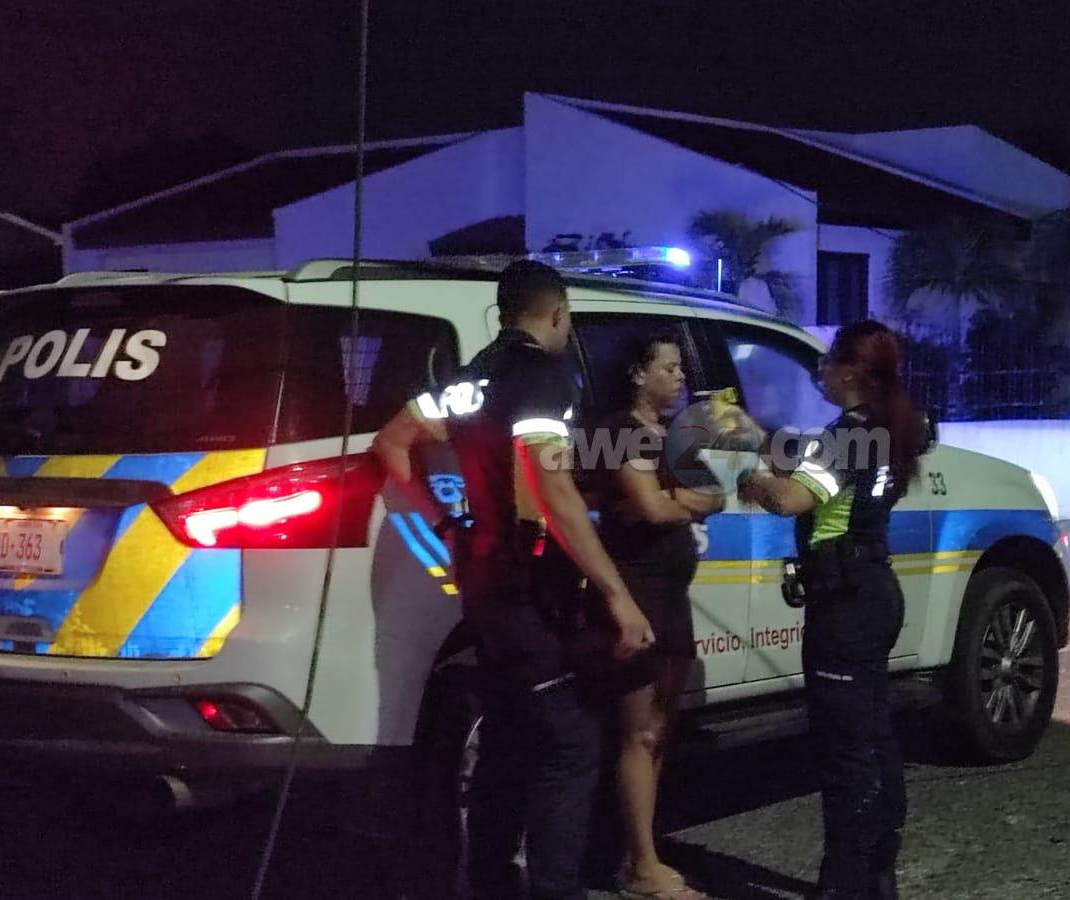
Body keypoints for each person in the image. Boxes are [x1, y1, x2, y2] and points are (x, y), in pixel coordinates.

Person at [372, 260, 654, 900]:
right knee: (570, 743)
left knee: (506, 735)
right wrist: (617, 593)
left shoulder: (468, 379)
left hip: (482, 574)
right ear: (557, 313)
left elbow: (391, 442)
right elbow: (552, 488)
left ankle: (489, 881)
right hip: (529, 584)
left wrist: (444, 523)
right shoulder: (546, 377)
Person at [736, 321, 924, 900]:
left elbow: (792, 497)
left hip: (844, 606)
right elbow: (819, 475)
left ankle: (843, 884)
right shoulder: (886, 428)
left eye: (829, 361)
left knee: (845, 754)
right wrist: (758, 437)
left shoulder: (844, 436)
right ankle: (878, 873)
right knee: (874, 736)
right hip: (873, 592)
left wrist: (754, 481)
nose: (821, 370)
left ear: (850, 372)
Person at [588, 333, 725, 900]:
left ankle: (639, 855)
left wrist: (674, 498)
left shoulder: (670, 435)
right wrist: (672, 498)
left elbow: (715, 495)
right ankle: (641, 866)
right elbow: (646, 507)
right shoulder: (619, 431)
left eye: (679, 368)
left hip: (672, 596)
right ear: (637, 374)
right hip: (638, 594)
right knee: (639, 731)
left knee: (660, 730)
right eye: (669, 367)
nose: (680, 377)